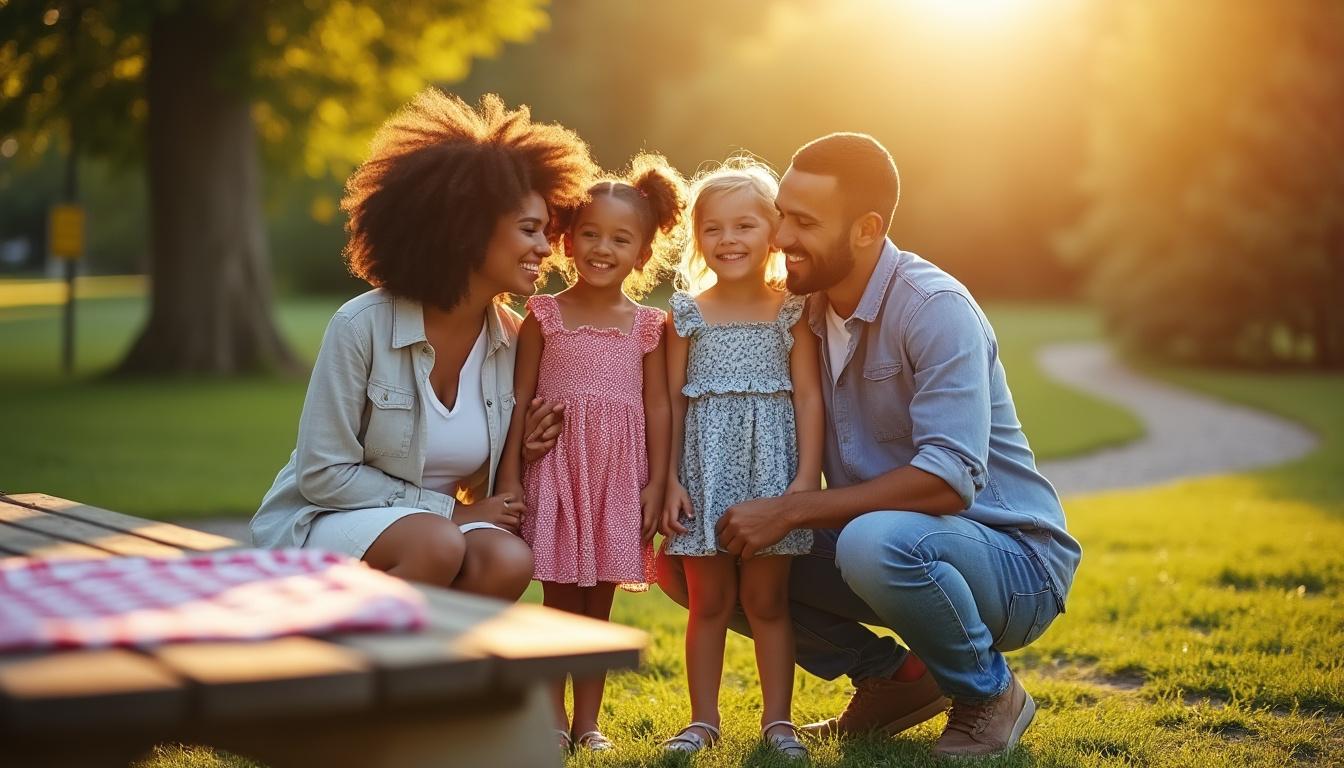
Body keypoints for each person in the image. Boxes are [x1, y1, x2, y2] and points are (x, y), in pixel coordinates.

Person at [658, 133, 1083, 759]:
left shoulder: (934, 309)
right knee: (694, 552)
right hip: (891, 544)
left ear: (866, 229)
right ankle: (896, 680)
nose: (779, 239)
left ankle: (989, 695)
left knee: (871, 540)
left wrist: (794, 509)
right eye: (782, 217)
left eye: (803, 223)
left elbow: (948, 480)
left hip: (1009, 560)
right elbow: (685, 388)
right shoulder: (799, 310)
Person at [251, 89, 592, 601]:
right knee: (437, 544)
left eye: (546, 230)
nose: (546, 248)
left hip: (438, 530)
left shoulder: (514, 340)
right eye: (529, 229)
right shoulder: (361, 324)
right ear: (467, 231)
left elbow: (490, 493)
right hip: (327, 520)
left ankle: (436, 677)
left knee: (506, 558)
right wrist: (451, 512)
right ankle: (340, 663)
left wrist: (522, 449)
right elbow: (322, 474)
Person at [494, 153, 683, 752]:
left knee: (597, 607)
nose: (604, 248)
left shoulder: (650, 326)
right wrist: (512, 481)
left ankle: (588, 723)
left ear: (642, 255)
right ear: (567, 241)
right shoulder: (543, 316)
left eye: (620, 239)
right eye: (591, 234)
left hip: (619, 477)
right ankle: (551, 717)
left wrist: (659, 480)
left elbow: (659, 407)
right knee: (557, 604)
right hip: (555, 472)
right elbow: (518, 401)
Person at [657, 158, 824, 760]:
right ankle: (703, 721)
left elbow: (807, 396)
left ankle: (778, 723)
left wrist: (804, 483)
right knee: (708, 603)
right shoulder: (687, 315)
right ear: (696, 238)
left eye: (745, 225)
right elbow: (671, 403)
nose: (728, 240)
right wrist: (671, 480)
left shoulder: (792, 311)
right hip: (702, 474)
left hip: (771, 479)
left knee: (767, 603)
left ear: (774, 231)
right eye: (713, 229)